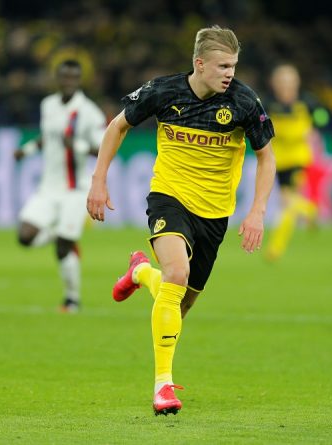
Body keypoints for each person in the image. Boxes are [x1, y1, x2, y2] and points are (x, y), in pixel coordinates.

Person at [86, 26, 276, 416]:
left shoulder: (243, 101)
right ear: (199, 63)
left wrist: (257, 210)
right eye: (222, 66)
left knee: (179, 302)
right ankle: (163, 386)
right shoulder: (163, 91)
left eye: (233, 66)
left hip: (215, 214)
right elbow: (118, 125)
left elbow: (267, 157)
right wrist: (98, 180)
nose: (230, 73)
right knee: (176, 274)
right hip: (169, 197)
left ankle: (141, 273)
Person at [15, 59, 106, 312]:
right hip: (48, 187)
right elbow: (48, 137)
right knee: (25, 236)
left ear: (79, 80)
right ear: (58, 78)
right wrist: (27, 150)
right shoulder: (48, 105)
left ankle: (72, 300)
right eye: (65, 77)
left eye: (73, 77)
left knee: (63, 248)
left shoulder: (90, 112)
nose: (68, 81)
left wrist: (75, 145)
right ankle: (60, 233)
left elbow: (101, 149)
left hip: (75, 190)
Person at [264, 63, 329, 261]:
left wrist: (315, 126)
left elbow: (323, 116)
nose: (285, 85)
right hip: (278, 160)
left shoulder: (307, 102)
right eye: (281, 81)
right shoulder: (268, 104)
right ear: (274, 83)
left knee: (287, 203)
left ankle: (276, 248)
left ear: (296, 82)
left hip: (299, 159)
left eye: (289, 81)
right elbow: (259, 121)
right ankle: (310, 210)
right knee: (289, 204)